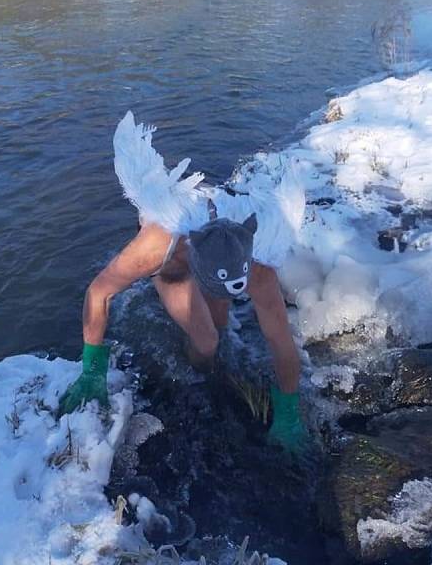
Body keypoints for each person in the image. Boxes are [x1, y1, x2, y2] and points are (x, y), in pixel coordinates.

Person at [58, 114, 307, 454]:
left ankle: (213, 359)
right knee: (206, 341)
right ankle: (197, 376)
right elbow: (98, 293)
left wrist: (288, 414)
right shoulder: (159, 245)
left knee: (220, 324)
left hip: (218, 244)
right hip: (174, 260)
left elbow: (281, 341)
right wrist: (92, 371)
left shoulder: (259, 262)